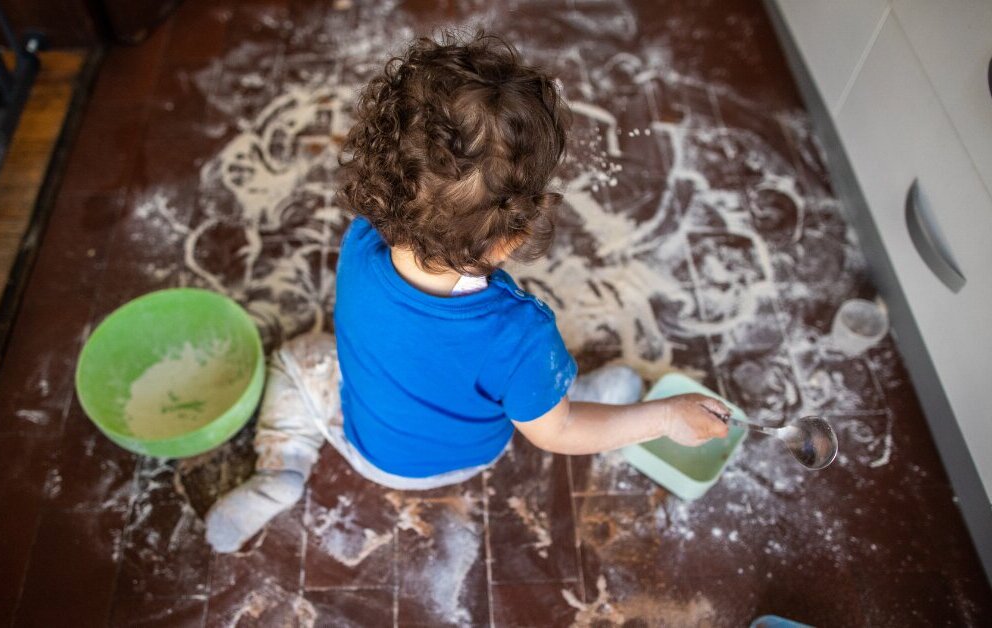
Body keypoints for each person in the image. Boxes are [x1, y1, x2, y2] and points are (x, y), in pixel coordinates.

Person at [204, 32, 729, 553]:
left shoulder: (360, 239)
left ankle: (283, 466)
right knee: (543, 398)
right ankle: (583, 394)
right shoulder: (520, 332)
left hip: (371, 447)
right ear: (514, 235)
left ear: (384, 179)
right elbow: (555, 434)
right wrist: (664, 418)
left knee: (296, 361)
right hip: (464, 456)